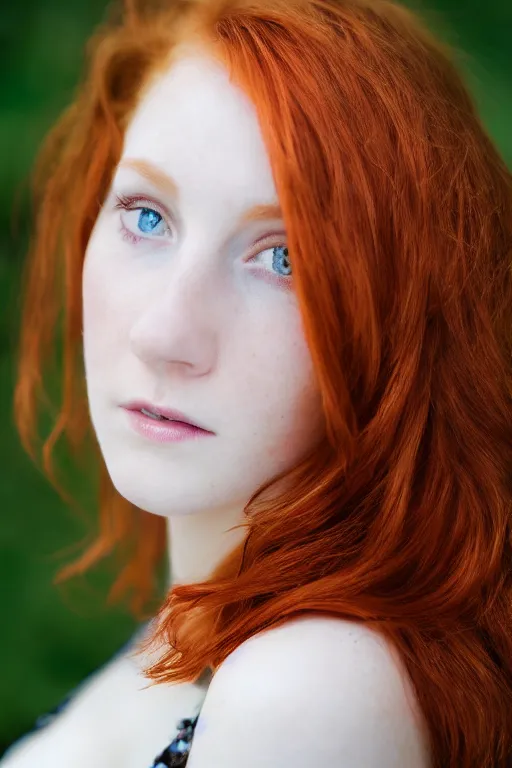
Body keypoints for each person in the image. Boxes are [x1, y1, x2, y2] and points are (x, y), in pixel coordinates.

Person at [3, 0, 512, 765]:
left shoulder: (307, 693)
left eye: (285, 260)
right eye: (146, 217)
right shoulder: (203, 619)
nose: (163, 333)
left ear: (406, 318)